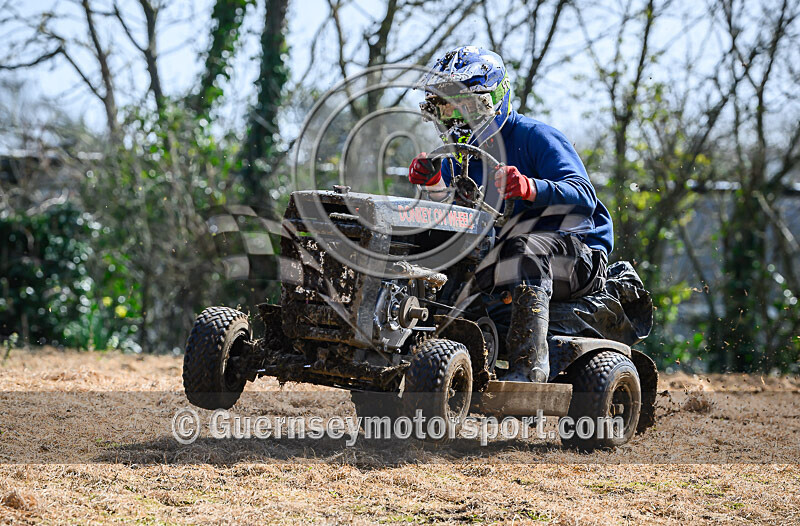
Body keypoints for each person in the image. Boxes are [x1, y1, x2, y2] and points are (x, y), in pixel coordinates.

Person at [408, 46, 613, 383]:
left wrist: (530, 187)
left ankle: (528, 367)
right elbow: (456, 215)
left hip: (577, 254)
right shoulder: (457, 157)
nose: (457, 118)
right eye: (447, 108)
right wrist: (433, 184)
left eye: (466, 107)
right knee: (429, 246)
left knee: (524, 247)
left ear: (496, 98)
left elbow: (584, 197)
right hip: (501, 252)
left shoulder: (535, 137)